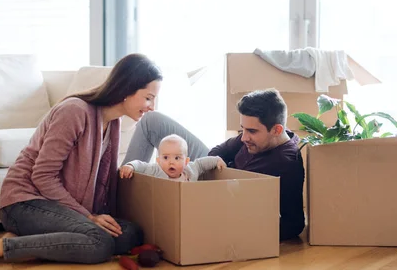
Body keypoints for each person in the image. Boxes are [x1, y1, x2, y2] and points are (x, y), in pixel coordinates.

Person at [0, 54, 163, 269]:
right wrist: (89, 218)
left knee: (131, 232)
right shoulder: (75, 111)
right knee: (98, 242)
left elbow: (101, 186)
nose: (151, 106)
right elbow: (42, 175)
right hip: (25, 201)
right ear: (127, 89)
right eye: (148, 98)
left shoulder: (113, 123)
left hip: (58, 207)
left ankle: (27, 238)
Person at [123, 88, 305, 241]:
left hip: (218, 202)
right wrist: (203, 169)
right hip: (207, 169)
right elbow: (217, 151)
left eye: (251, 131)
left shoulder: (286, 164)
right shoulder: (253, 137)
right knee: (151, 120)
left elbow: (294, 224)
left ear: (276, 130)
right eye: (243, 129)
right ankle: (122, 190)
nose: (244, 138)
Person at [119, 134, 226, 181]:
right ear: (158, 161)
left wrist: (217, 160)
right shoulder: (156, 170)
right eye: (165, 158)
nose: (171, 162)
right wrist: (131, 166)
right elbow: (141, 165)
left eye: (177, 158)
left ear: (186, 161)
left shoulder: (190, 170)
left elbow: (201, 163)